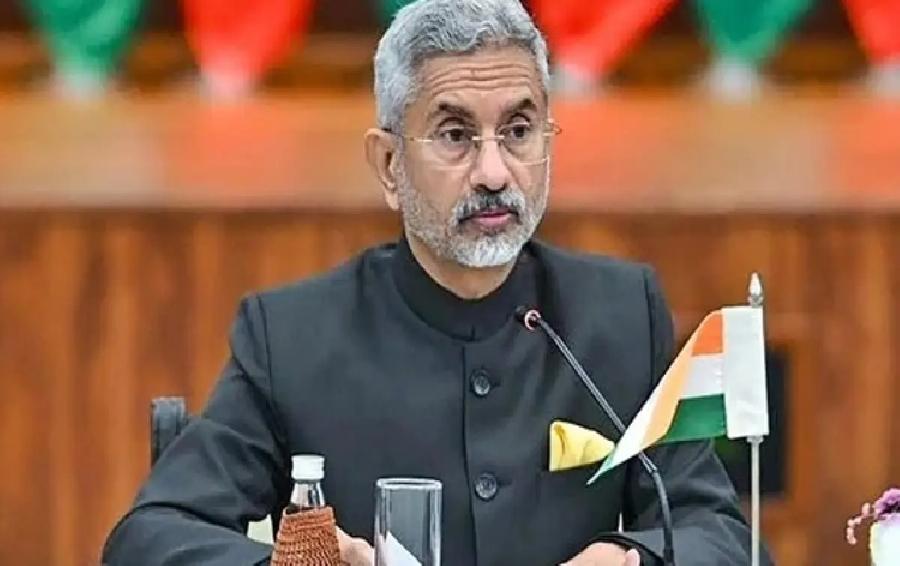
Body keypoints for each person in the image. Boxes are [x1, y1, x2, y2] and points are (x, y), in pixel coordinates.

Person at [103, 1, 769, 564]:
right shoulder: (292, 338)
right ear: (389, 164)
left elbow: (724, 538)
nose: (494, 172)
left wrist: (634, 560)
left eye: (518, 131)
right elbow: (150, 539)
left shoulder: (618, 316)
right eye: (455, 135)